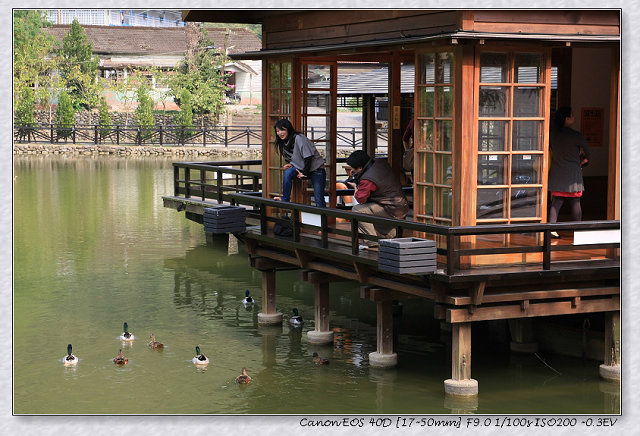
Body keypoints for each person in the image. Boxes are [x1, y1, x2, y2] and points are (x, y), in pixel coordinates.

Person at [345, 150, 409, 249]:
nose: (352, 170)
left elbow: (360, 198)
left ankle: (370, 241)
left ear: (360, 167)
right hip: (401, 206)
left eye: (353, 168)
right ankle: (389, 234)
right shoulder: (380, 163)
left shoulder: (367, 179)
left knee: (357, 210)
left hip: (390, 208)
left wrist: (356, 188)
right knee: (370, 209)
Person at [547, 106, 591, 238]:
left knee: (557, 202)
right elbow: (588, 152)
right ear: (567, 119)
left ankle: (552, 230)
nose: (574, 117)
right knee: (576, 202)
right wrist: (585, 161)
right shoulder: (576, 135)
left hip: (557, 171)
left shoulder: (552, 134)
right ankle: (578, 230)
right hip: (573, 174)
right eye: (572, 115)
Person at [273, 118, 326, 207]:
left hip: (316, 169)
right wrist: (291, 164)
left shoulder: (299, 138)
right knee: (288, 173)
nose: (280, 133)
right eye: (277, 131)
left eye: (282, 130)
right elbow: (293, 157)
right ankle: (285, 198)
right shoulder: (283, 143)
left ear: (288, 129)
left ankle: (323, 220)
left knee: (319, 199)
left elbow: (308, 157)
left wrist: (304, 173)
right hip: (301, 168)